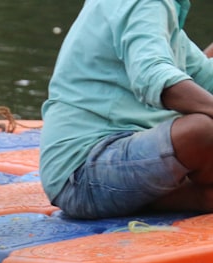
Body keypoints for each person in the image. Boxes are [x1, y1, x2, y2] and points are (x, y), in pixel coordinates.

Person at [40, 0, 213, 220]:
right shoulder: (144, 3)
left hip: (113, 162)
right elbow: (153, 76)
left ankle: (178, 198)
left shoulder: (164, 11)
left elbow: (205, 76)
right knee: (205, 131)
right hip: (82, 173)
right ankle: (173, 197)